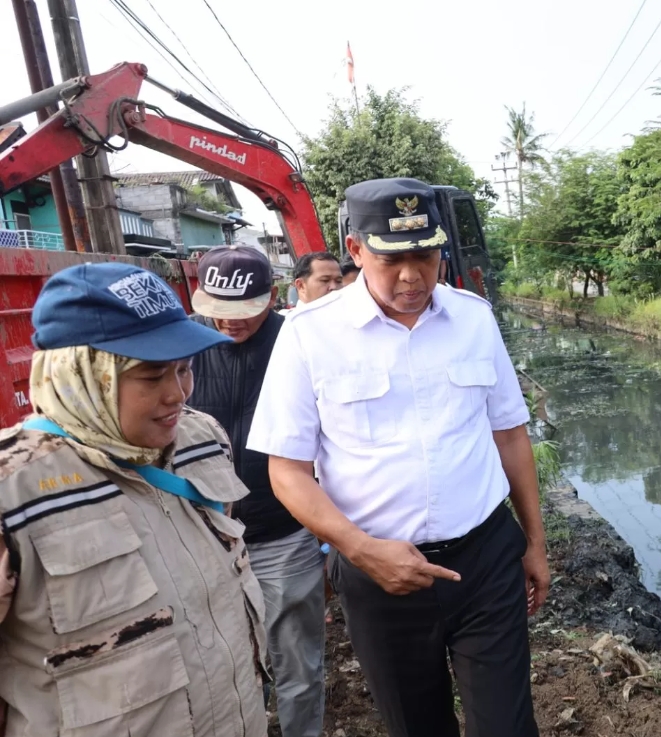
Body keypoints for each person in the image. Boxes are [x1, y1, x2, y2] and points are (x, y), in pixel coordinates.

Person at [247, 177, 548, 737]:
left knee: (507, 726)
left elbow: (509, 434)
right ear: (356, 250)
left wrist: (534, 542)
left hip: (483, 559)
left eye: (426, 255)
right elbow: (286, 471)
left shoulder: (473, 319)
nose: (413, 275)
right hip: (377, 574)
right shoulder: (310, 335)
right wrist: (360, 551)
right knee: (416, 725)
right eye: (392, 259)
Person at [0, 263, 268, 737]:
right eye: (151, 376)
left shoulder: (201, 439)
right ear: (80, 374)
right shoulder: (13, 489)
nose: (177, 395)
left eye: (185, 369)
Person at [187, 246, 326, 737]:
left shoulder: (302, 343)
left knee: (297, 663)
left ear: (273, 296)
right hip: (205, 536)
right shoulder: (184, 347)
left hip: (284, 533)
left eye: (244, 311)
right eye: (219, 311)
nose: (230, 324)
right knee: (221, 662)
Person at [281, 252, 343, 316]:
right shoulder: (286, 322)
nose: (334, 287)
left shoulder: (349, 318)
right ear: (301, 285)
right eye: (325, 280)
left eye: (339, 281)